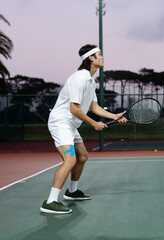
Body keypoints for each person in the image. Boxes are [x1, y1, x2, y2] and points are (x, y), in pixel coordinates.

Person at [40, 44, 127, 214]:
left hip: (71, 124)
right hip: (61, 122)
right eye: (99, 54)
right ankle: (50, 201)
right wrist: (93, 123)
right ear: (91, 58)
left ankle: (72, 191)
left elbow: (94, 107)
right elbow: (74, 109)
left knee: (82, 156)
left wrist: (114, 116)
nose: (102, 57)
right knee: (70, 159)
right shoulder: (79, 78)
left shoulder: (89, 80)